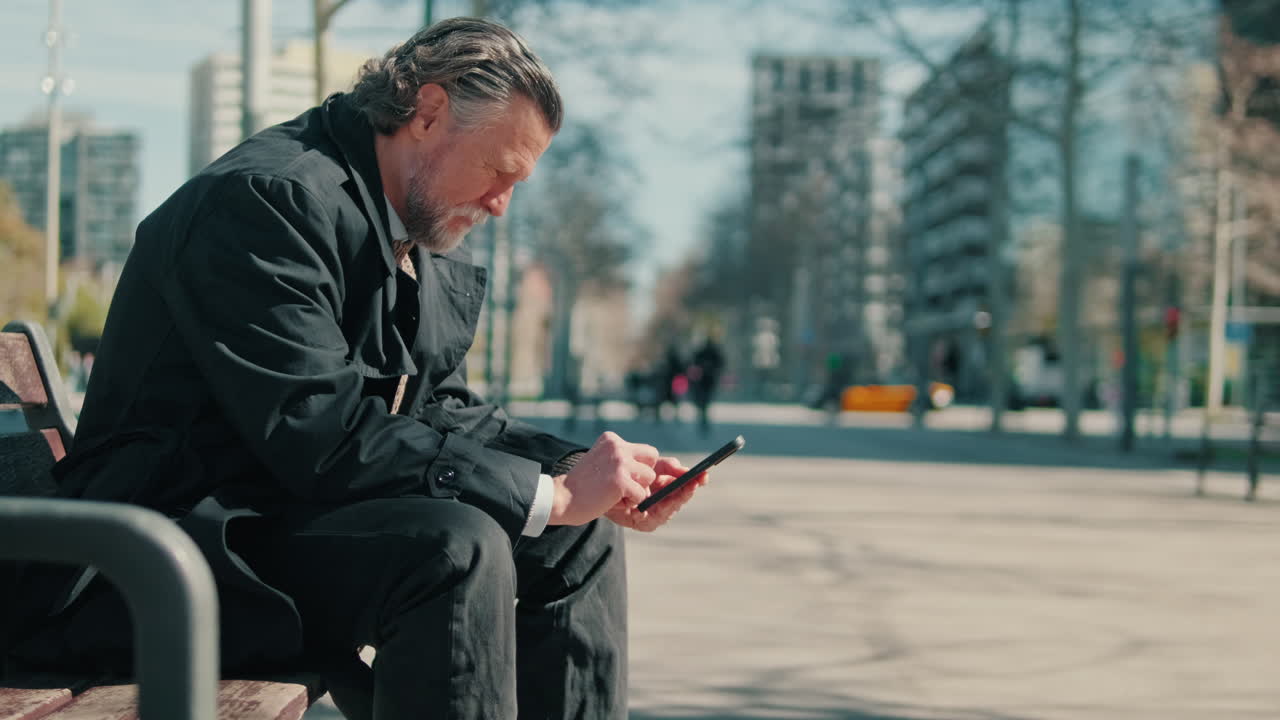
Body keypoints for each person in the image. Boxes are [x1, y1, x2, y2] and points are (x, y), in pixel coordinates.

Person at [7, 18, 705, 720]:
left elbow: (440, 408)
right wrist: (547, 495)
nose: (501, 204)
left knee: (579, 535)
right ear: (428, 112)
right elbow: (321, 430)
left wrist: (582, 472)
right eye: (499, 171)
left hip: (271, 524)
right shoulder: (267, 201)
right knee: (454, 550)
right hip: (158, 555)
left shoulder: (417, 221)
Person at [688, 337, 725, 436]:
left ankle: (703, 419)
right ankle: (703, 418)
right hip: (704, 380)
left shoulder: (710, 353)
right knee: (703, 401)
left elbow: (720, 363)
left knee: (704, 401)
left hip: (707, 381)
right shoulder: (708, 353)